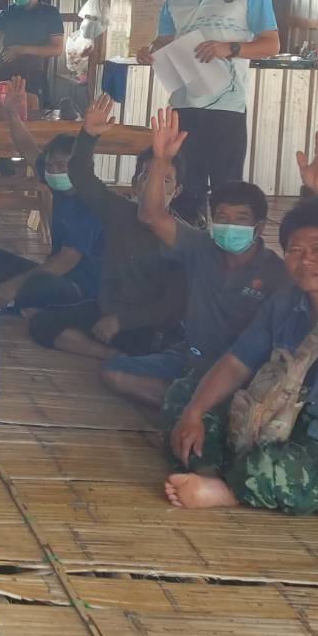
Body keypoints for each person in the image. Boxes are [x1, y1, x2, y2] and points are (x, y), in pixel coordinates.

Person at [165, 125, 318, 515]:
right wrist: (195, 413)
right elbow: (236, 361)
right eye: (295, 250)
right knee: (187, 395)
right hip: (283, 428)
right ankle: (215, 471)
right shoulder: (286, 303)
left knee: (275, 470)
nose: (305, 260)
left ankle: (227, 489)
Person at [103, 108, 291, 411]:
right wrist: (161, 160)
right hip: (189, 359)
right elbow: (151, 215)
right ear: (211, 221)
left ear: (258, 228)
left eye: (241, 219)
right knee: (114, 372)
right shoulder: (201, 246)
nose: (230, 225)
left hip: (240, 373)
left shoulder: (276, 273)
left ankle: (195, 405)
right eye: (222, 218)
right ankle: (198, 407)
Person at [137, 0, 280, 218]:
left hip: (227, 104)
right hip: (183, 101)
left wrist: (231, 48)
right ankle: (185, 237)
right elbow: (164, 40)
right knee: (185, 183)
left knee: (227, 185)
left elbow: (271, 44)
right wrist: (148, 51)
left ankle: (226, 239)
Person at [29, 94, 185, 359]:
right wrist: (88, 135)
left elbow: (171, 304)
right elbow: (81, 176)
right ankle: (108, 356)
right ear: (135, 183)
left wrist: (122, 321)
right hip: (106, 310)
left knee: (152, 350)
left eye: (165, 180)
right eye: (146, 176)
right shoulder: (119, 212)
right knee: (40, 324)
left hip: (147, 323)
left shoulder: (183, 237)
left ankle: (119, 359)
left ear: (177, 191)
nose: (153, 185)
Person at [0, 78, 103, 314]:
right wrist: (11, 113)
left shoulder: (91, 204)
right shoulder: (61, 187)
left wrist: (13, 286)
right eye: (51, 165)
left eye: (62, 166)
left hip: (80, 290)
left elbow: (67, 260)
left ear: (81, 167)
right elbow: (27, 147)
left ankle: (13, 304)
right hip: (53, 274)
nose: (53, 171)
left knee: (37, 285)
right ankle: (10, 303)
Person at [0, 0, 64, 110]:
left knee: (30, 115)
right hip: (2, 74)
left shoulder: (50, 13)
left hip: (32, 77)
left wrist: (22, 49)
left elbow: (56, 49)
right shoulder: (9, 12)